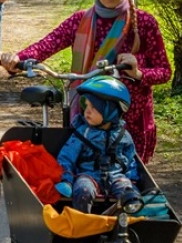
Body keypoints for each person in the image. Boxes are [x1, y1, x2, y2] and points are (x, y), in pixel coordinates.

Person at [0, 0, 171, 161]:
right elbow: (48, 43)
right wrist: (18, 58)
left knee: (128, 177)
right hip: (87, 114)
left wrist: (139, 73)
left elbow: (164, 71)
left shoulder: (143, 23)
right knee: (81, 170)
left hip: (129, 118)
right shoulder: (80, 21)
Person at [53, 77, 141, 212]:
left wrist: (132, 181)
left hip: (116, 176)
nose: (86, 111)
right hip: (88, 175)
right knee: (83, 190)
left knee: (129, 195)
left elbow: (131, 160)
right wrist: (67, 179)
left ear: (110, 111)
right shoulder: (83, 133)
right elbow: (67, 157)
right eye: (86, 105)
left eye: (93, 107)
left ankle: (122, 225)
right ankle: (83, 223)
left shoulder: (123, 135)